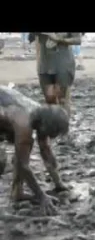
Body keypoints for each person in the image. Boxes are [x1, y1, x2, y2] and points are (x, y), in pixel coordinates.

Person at [0, 86, 70, 215]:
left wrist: (59, 184)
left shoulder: (40, 114)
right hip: (6, 112)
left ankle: (17, 192)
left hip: (5, 110)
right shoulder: (24, 124)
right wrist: (41, 196)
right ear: (47, 127)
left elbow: (45, 149)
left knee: (23, 148)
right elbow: (23, 165)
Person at [30, 33, 82, 117]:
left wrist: (58, 39)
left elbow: (77, 40)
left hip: (63, 64)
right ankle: (53, 127)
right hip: (45, 64)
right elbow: (34, 39)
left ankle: (64, 127)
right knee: (49, 98)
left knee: (62, 99)